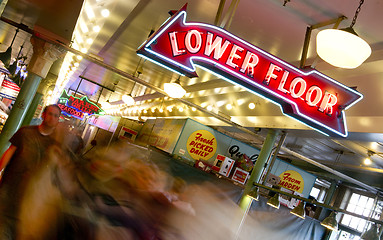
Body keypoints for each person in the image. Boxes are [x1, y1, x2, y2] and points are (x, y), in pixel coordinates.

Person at [0, 104, 61, 240]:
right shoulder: (25, 132)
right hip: (9, 188)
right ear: (43, 115)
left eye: (56, 116)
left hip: (31, 197)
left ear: (58, 120)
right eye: (50, 114)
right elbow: (10, 152)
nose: (52, 118)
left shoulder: (55, 145)